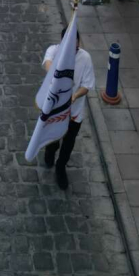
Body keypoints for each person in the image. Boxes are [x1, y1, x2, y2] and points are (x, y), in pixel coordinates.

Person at [42, 27, 95, 191]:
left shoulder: (85, 58)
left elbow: (87, 85)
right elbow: (48, 64)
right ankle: (50, 150)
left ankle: (61, 167)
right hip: (55, 108)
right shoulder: (54, 51)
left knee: (69, 141)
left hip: (74, 110)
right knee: (53, 136)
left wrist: (73, 96)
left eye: (75, 43)